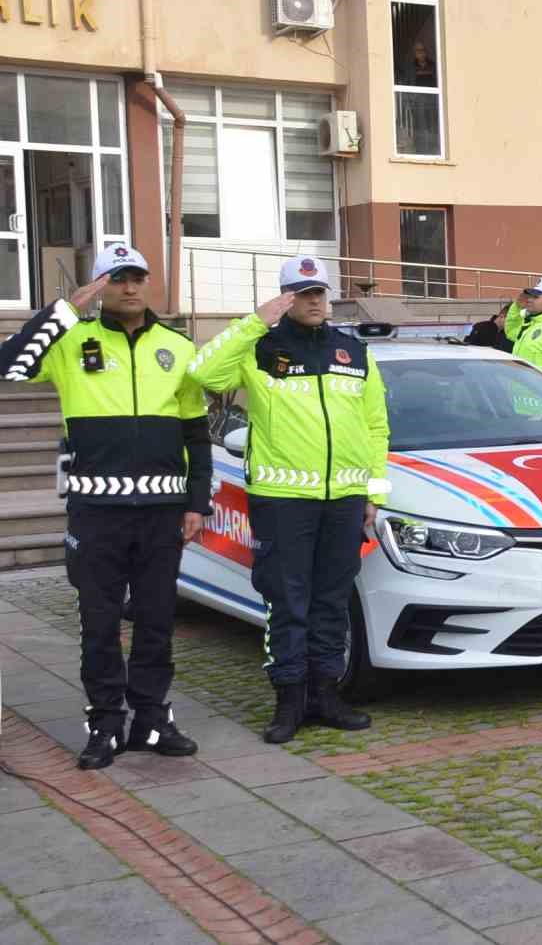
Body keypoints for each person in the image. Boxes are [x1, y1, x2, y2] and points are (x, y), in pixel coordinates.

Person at [0, 246, 210, 769]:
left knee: (157, 620)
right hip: (96, 513)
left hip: (163, 511)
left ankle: (153, 720)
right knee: (98, 623)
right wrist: (64, 310)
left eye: (137, 277)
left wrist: (197, 502)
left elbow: (196, 432)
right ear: (99, 287)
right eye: (116, 279)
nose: (130, 287)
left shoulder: (178, 347)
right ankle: (105, 724)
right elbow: (8, 366)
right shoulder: (70, 340)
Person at [187, 257, 390, 743]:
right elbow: (203, 373)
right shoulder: (259, 348)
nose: (314, 300)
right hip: (281, 499)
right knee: (287, 601)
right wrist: (255, 321)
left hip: (343, 498)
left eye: (319, 291)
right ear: (285, 299)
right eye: (302, 293)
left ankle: (325, 694)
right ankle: (289, 701)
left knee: (331, 600)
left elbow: (376, 426)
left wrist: (372, 493)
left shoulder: (354, 351)